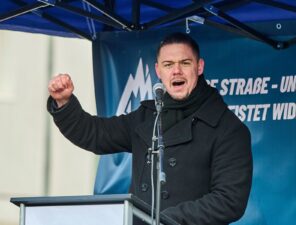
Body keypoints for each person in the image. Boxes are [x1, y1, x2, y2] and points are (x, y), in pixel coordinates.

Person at [47, 32, 252, 225]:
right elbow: (96, 134)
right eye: (168, 64)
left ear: (199, 67)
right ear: (158, 71)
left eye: (185, 63)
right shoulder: (146, 117)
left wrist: (166, 220)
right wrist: (64, 103)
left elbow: (229, 200)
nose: (176, 71)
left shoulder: (229, 129)